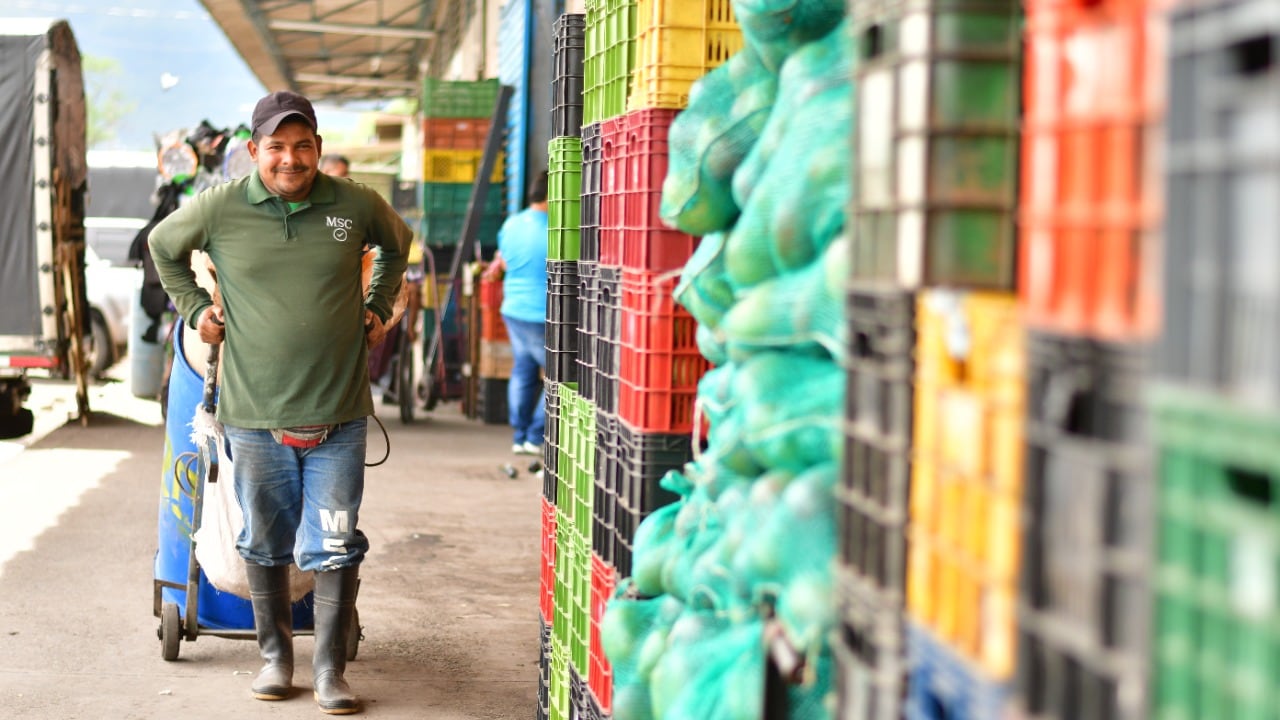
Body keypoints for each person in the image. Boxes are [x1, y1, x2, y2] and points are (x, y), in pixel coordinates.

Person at [148, 90, 410, 715]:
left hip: (339, 417)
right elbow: (162, 246)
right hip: (253, 417)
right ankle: (275, 658)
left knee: (335, 540)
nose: (290, 159)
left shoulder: (355, 203)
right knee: (264, 542)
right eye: (277, 147)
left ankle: (329, 671)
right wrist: (195, 310)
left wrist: (378, 307)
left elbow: (398, 245)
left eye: (302, 146)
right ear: (254, 151)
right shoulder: (223, 206)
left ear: (318, 148)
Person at [483, 171, 548, 455]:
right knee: (563, 377)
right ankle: (535, 435)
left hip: (513, 308)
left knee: (523, 369)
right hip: (541, 311)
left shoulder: (511, 224)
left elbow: (504, 262)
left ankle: (521, 435)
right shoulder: (557, 228)